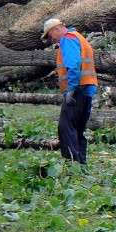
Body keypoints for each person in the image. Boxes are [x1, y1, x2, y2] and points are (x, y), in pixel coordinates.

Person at [41, 18, 98, 164]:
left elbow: (73, 66)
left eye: (50, 35)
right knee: (77, 128)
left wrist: (71, 90)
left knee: (66, 127)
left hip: (77, 89)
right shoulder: (78, 37)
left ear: (56, 29)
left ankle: (71, 163)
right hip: (87, 87)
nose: (51, 40)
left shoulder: (68, 39)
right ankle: (80, 163)